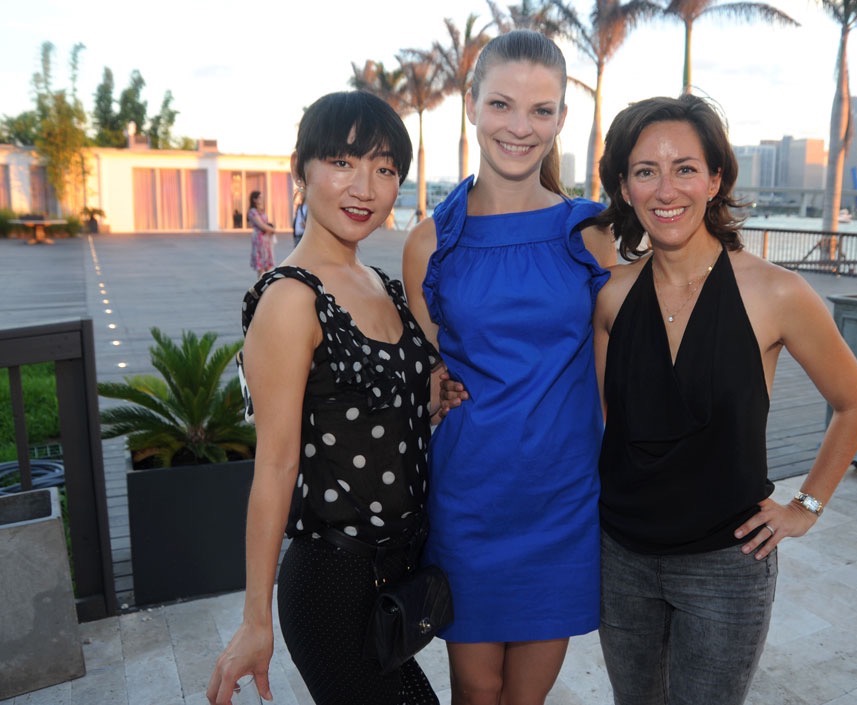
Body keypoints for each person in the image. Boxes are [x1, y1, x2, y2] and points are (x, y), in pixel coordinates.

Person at [590, 93, 857, 705]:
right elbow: (608, 418)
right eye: (646, 171)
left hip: (726, 563)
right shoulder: (609, 295)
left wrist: (806, 505)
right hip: (622, 557)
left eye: (685, 168)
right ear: (625, 185)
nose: (667, 190)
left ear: (716, 179)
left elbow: (854, 403)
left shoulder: (777, 293)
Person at [207, 91, 443, 705]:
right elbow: (276, 465)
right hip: (333, 581)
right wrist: (255, 620)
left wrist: (437, 395)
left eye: (385, 168)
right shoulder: (291, 298)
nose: (364, 186)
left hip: (395, 574)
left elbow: (386, 410)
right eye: (343, 161)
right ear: (301, 170)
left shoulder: (383, 286)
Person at [402, 29, 616, 705]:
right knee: (474, 686)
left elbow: (619, 378)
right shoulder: (430, 242)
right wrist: (430, 390)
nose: (520, 128)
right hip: (469, 496)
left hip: (562, 498)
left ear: (561, 118)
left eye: (542, 110)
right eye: (501, 104)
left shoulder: (589, 232)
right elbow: (430, 368)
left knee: (526, 696)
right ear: (471, 105)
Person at [247, 190, 277, 278]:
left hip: (266, 239)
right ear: (254, 199)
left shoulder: (261, 210)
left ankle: (265, 285)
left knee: (267, 265)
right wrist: (272, 229)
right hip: (259, 239)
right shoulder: (252, 211)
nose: (261, 199)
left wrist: (271, 229)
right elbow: (261, 225)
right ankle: (260, 286)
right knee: (260, 265)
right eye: (259, 197)